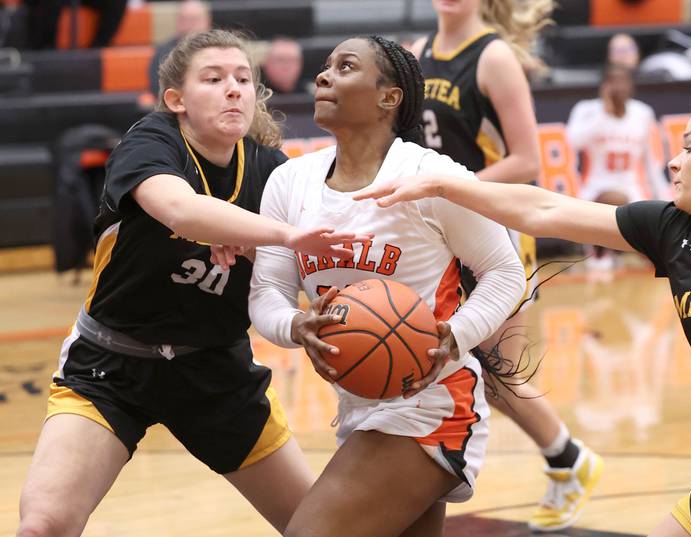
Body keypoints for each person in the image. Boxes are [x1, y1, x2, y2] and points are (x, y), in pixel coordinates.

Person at [355, 89, 691, 537]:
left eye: (689, 147)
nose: (673, 161)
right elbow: (544, 209)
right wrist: (443, 185)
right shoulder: (673, 229)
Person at [16, 29, 372, 537]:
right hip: (112, 367)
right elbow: (181, 210)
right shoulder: (151, 141)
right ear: (176, 100)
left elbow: (311, 263)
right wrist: (280, 235)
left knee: (318, 528)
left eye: (244, 78)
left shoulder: (273, 172)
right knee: (44, 525)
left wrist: (271, 257)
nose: (234, 89)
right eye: (214, 78)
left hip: (215, 374)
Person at [248, 36, 526, 537]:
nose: (324, 76)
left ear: (388, 97)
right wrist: (296, 325)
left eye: (346, 67)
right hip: (358, 401)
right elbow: (267, 292)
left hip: (433, 404)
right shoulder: (289, 182)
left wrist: (454, 335)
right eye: (326, 66)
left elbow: (506, 272)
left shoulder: (428, 176)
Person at [410, 0, 603, 530]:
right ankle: (564, 458)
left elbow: (527, 160)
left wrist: (450, 188)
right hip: (443, 228)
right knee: (473, 368)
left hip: (495, 227)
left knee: (500, 371)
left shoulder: (494, 58)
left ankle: (570, 459)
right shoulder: (415, 53)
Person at [567, 63, 670, 273]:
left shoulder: (642, 112)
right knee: (614, 199)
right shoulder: (587, 109)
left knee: (658, 259)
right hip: (595, 189)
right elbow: (573, 141)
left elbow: (651, 163)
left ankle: (618, 248)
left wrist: (665, 199)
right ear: (604, 86)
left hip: (632, 189)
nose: (619, 87)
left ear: (631, 85)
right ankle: (599, 251)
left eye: (624, 81)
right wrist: (604, 113)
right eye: (613, 81)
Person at [148, 0, 211, 97]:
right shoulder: (163, 52)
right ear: (177, 22)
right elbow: (156, 87)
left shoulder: (219, 49)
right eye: (185, 19)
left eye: (194, 19)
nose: (190, 25)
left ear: (207, 21)